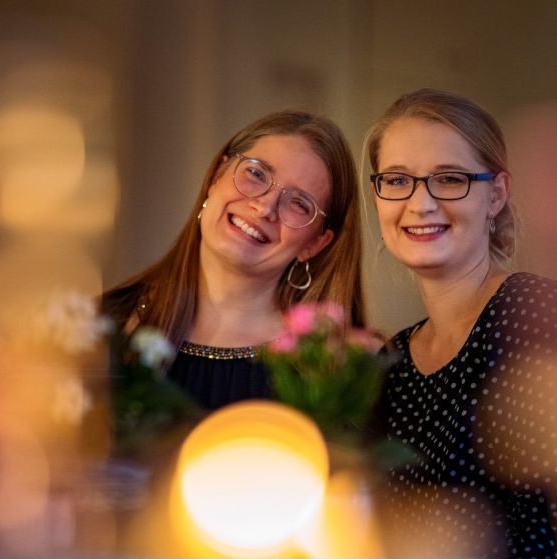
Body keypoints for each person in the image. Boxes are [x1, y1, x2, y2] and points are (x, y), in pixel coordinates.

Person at [364, 89, 557, 559]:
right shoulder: (390, 361)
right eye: (397, 180)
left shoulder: (529, 313)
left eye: (450, 179)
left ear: (495, 195)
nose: (420, 202)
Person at [103, 110, 365, 412]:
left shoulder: (331, 372)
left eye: (298, 203)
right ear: (217, 174)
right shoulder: (104, 328)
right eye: (256, 174)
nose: (265, 206)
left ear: (315, 244)